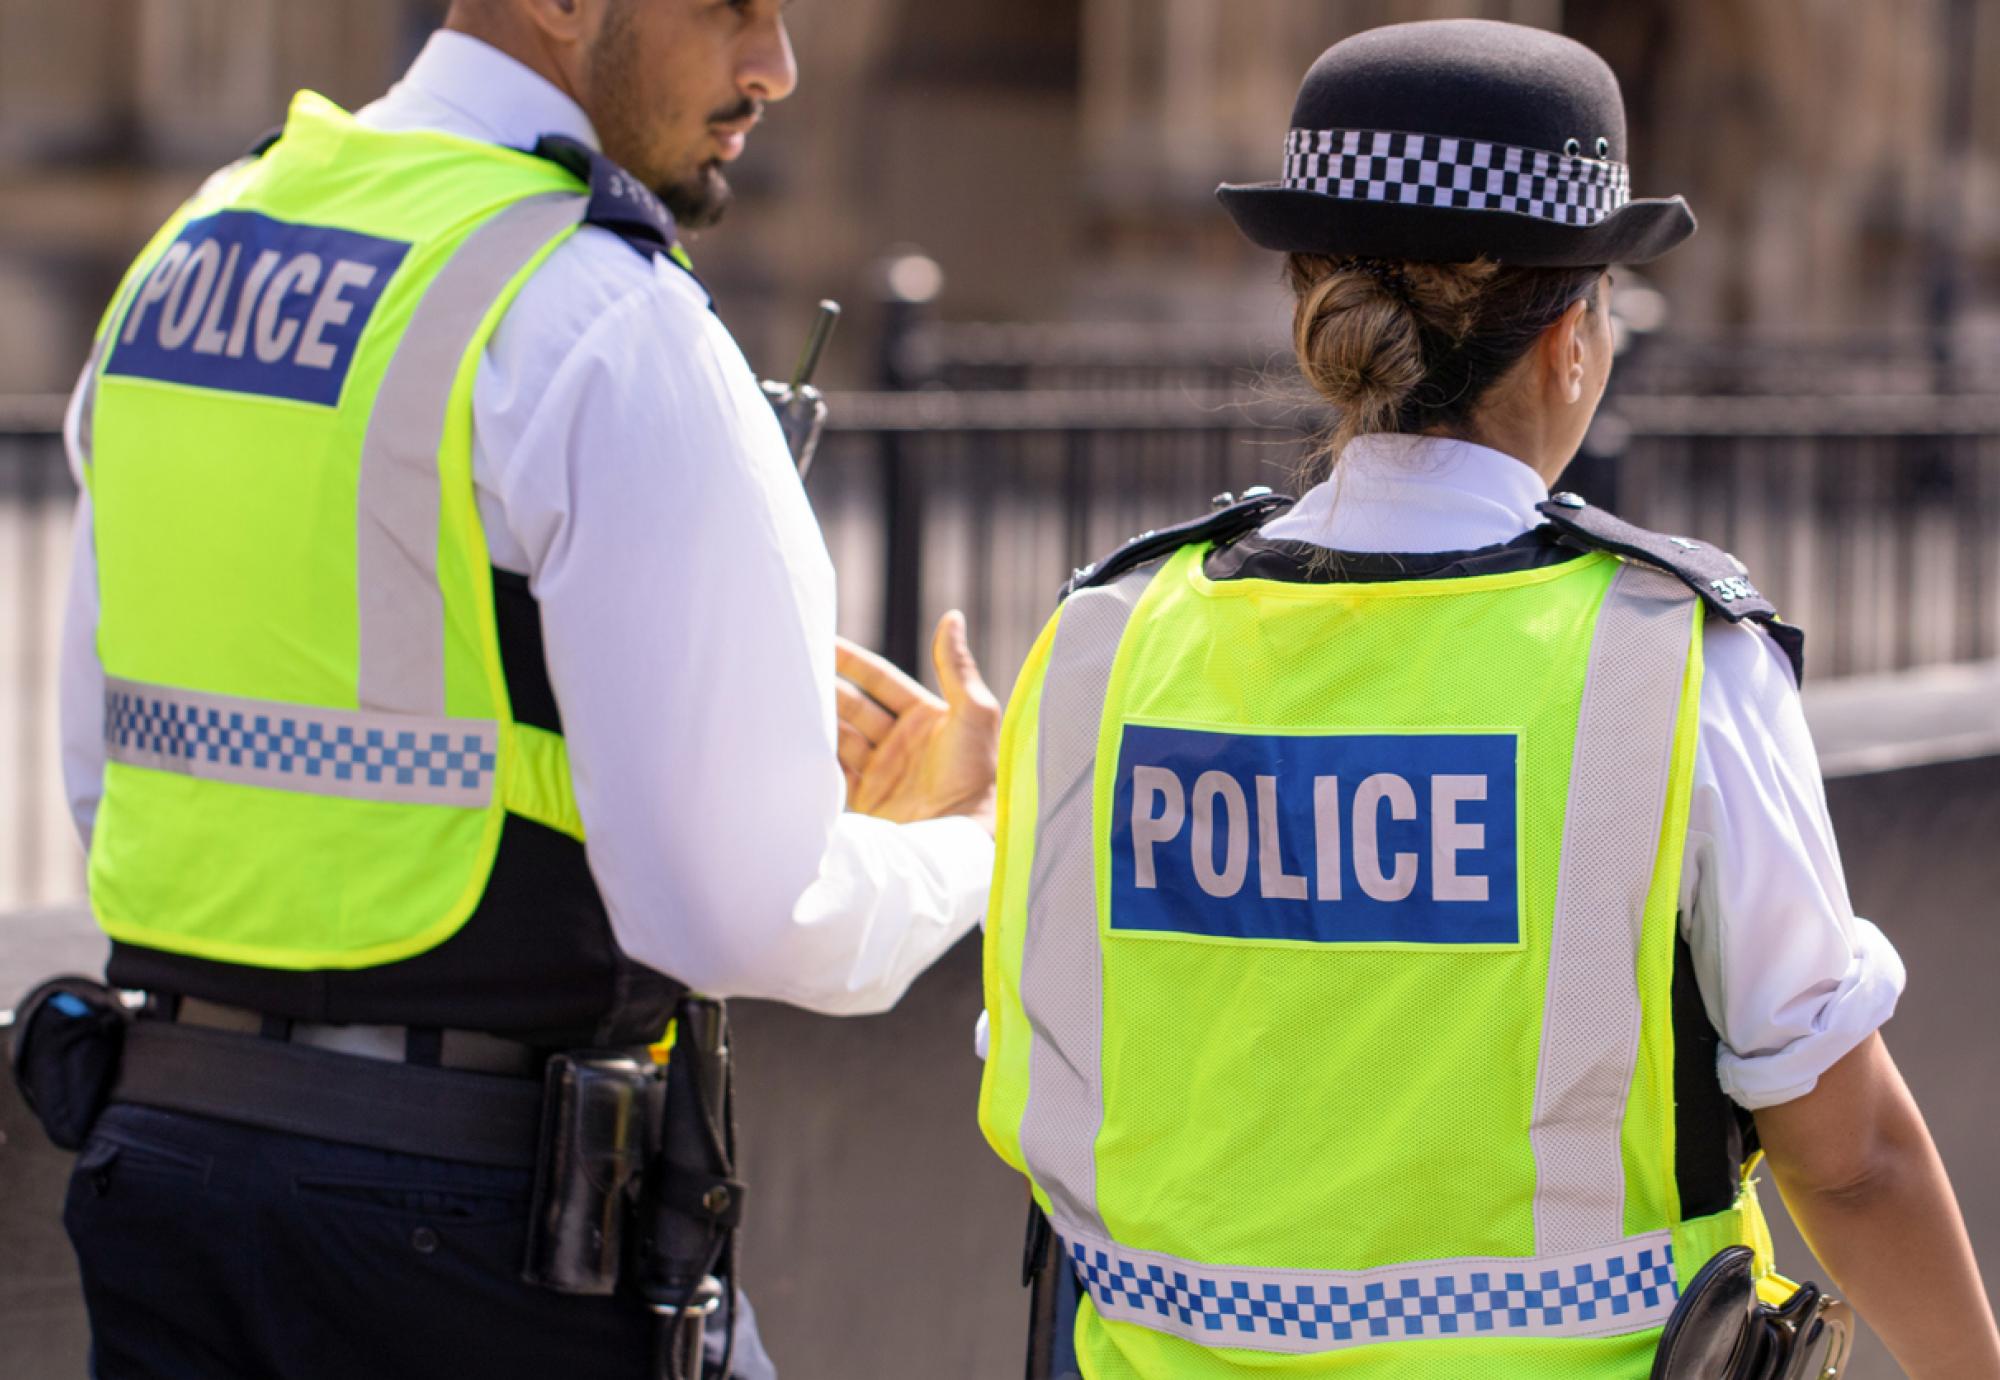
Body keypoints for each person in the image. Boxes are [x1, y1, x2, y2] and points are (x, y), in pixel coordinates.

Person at [972, 20, 2000, 1379]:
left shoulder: (1101, 640)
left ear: (1314, 316)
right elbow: (1851, 1156)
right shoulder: (1664, 656)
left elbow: (1047, 1067)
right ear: (1576, 335)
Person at [51, 1, 1000, 1376]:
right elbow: (746, 917)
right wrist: (956, 845)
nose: (774, 68)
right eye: (733, 7)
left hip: (163, 1174)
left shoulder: (193, 251)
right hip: (471, 1232)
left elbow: (106, 777)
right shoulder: (599, 312)